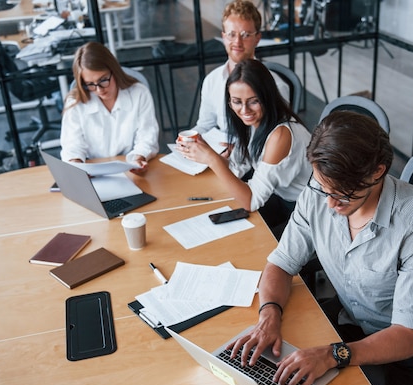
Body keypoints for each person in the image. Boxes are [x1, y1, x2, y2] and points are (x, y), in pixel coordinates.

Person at [228, 111, 413, 385]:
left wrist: (333, 354)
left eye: (343, 195)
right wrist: (269, 314)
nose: (330, 205)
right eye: (324, 189)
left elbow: (409, 334)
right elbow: (281, 264)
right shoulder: (319, 189)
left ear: (378, 171)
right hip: (352, 319)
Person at [177, 59, 311, 234]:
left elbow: (250, 201)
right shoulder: (255, 123)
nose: (244, 110)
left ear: (267, 97)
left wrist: (212, 159)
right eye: (237, 101)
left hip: (305, 212)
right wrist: (211, 155)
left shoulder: (281, 135)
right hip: (280, 198)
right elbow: (238, 168)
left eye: (253, 101)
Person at [191, 0, 289, 136]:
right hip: (222, 150)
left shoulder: (276, 85)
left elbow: (278, 137)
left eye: (245, 35)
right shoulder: (212, 80)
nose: (237, 42)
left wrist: (234, 149)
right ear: (223, 37)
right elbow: (205, 125)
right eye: (231, 34)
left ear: (257, 38)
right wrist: (190, 139)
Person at [60, 42, 159, 174]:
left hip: (129, 169)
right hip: (92, 172)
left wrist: (139, 158)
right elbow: (72, 146)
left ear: (114, 70)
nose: (99, 90)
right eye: (90, 84)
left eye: (103, 80)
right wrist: (77, 167)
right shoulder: (76, 102)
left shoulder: (139, 93)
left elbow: (147, 137)